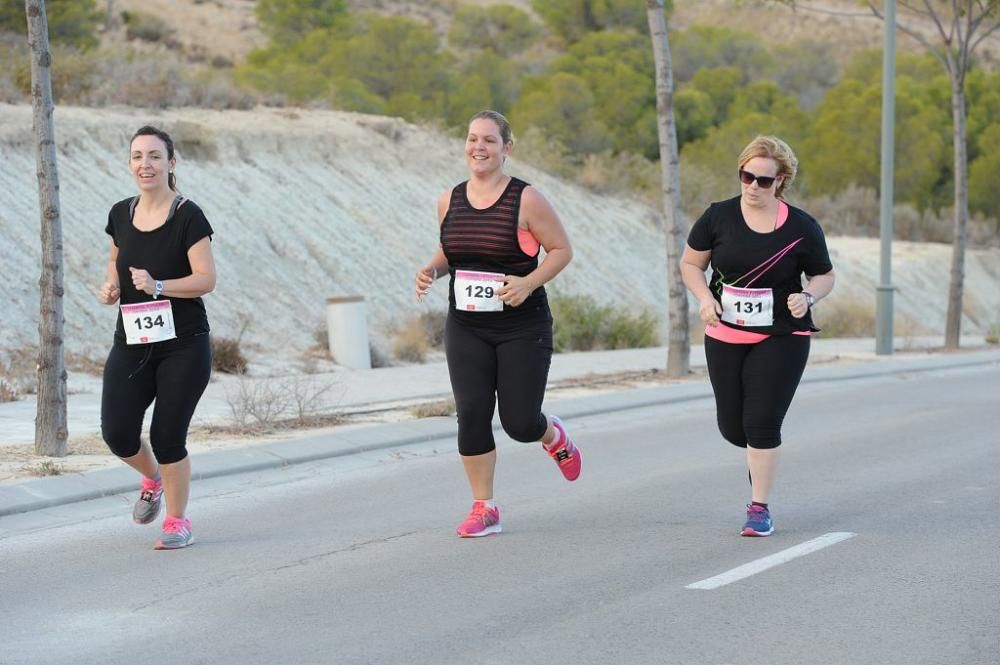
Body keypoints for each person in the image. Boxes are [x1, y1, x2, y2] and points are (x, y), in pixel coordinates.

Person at [414, 110, 581, 538]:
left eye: (489, 140)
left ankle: (553, 437)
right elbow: (454, 251)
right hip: (466, 324)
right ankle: (485, 507)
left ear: (507, 149)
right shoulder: (448, 200)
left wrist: (528, 283)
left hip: (522, 326)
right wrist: (431, 270)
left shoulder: (526, 199)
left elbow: (561, 250)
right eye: (472, 139)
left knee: (520, 422)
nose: (478, 148)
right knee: (471, 414)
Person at [680, 135, 835, 537]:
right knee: (735, 429)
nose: (752, 186)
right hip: (725, 333)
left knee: (762, 422)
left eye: (763, 180)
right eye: (746, 176)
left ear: (780, 181)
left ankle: (759, 508)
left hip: (782, 334)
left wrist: (807, 295)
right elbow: (691, 264)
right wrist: (702, 299)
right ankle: (757, 458)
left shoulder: (802, 227)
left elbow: (824, 274)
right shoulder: (717, 217)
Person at [97, 125, 216, 550]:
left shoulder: (188, 215)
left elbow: (206, 280)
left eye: (153, 156)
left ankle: (177, 522)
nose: (144, 164)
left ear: (171, 163)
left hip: (184, 343)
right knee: (117, 432)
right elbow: (115, 261)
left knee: (168, 437)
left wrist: (159, 285)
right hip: (132, 340)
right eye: (136, 156)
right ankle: (152, 478)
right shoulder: (119, 213)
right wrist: (110, 286)